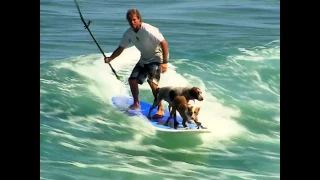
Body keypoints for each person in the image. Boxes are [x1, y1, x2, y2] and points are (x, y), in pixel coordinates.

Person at [105, 9, 169, 118]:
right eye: (130, 20)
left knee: (152, 82)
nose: (132, 22)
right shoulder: (129, 33)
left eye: (134, 20)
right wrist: (110, 58)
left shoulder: (148, 29)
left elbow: (164, 43)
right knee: (132, 80)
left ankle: (160, 109)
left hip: (157, 57)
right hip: (144, 58)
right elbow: (121, 48)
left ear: (139, 19)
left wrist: (165, 62)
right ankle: (136, 103)